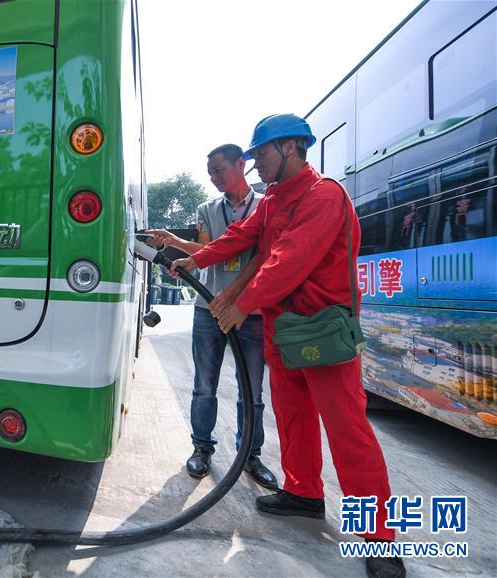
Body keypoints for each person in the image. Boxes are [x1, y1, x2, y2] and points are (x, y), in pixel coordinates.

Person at [171, 114, 404, 578]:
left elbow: (288, 259)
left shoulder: (325, 196)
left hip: (322, 331)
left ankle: (380, 540)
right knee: (294, 418)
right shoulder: (274, 200)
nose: (255, 165)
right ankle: (303, 493)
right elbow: (242, 237)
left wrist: (243, 303)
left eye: (261, 155)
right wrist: (195, 258)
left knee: (348, 432)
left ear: (292, 148)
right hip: (284, 330)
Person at [144, 144, 278, 490]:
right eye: (210, 173)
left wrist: (238, 297)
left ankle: (250, 454)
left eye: (219, 170)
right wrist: (175, 242)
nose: (214, 178)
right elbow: (209, 250)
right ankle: (202, 448)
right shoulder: (207, 208)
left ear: (241, 164)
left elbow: (263, 255)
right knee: (205, 385)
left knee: (252, 390)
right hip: (208, 308)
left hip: (250, 310)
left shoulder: (266, 206)